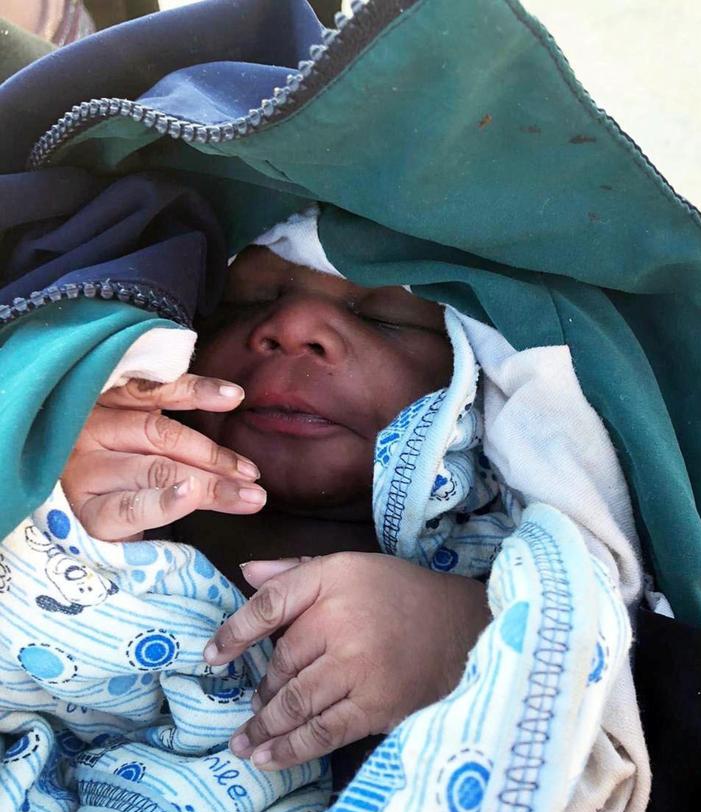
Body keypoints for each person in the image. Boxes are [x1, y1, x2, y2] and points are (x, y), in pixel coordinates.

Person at [61, 239, 492, 774]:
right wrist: (48, 469)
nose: (293, 325)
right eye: (247, 299)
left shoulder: (507, 555)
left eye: (387, 317)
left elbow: (578, 666)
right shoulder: (87, 464)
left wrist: (464, 640)